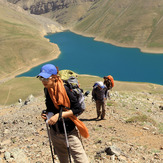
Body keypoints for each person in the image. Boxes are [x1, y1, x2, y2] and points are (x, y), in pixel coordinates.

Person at [37, 64, 89, 163]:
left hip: (69, 132)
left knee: (81, 160)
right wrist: (46, 114)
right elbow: (50, 108)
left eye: (46, 78)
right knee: (63, 160)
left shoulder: (65, 90)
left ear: (55, 78)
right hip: (54, 132)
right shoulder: (47, 90)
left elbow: (77, 108)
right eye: (41, 78)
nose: (43, 81)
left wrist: (59, 116)